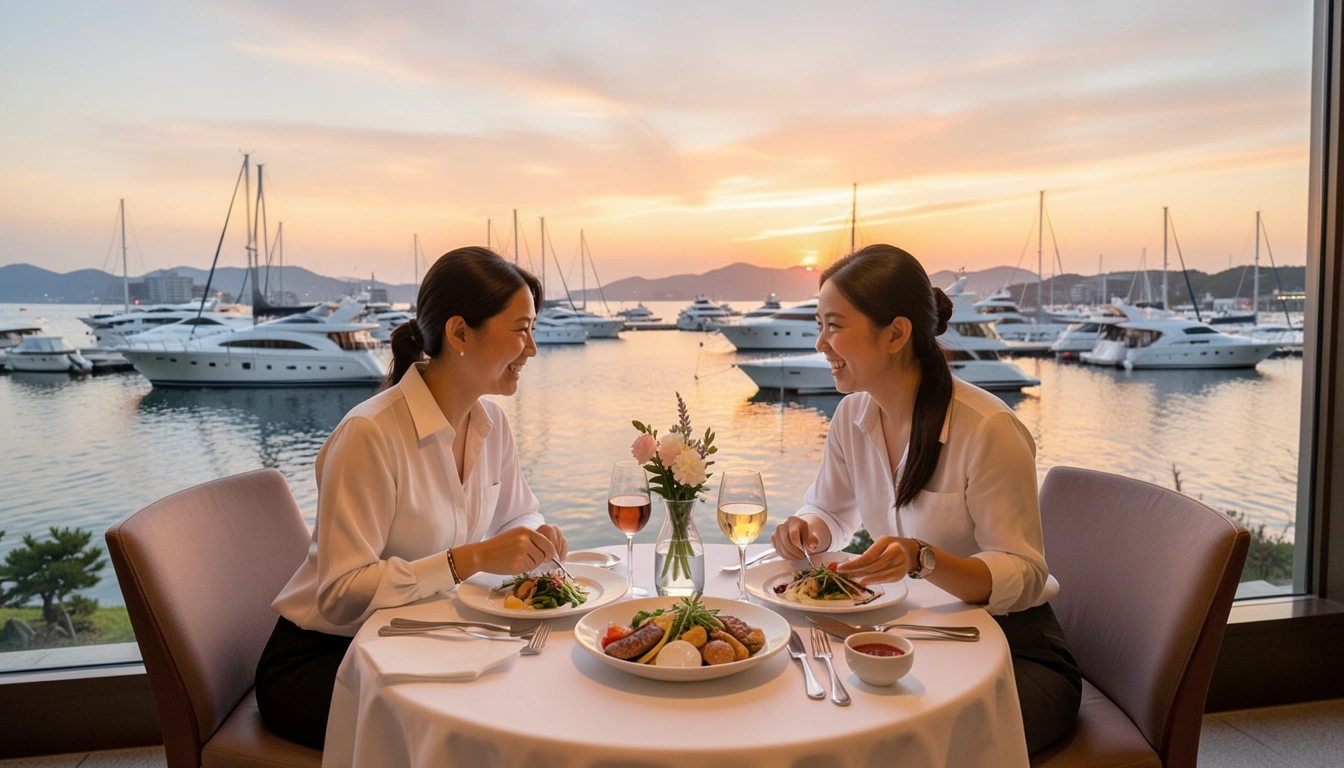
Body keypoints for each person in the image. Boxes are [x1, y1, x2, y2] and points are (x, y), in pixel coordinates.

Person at [770, 244, 1080, 754]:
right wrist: (809, 527)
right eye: (820, 325)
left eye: (834, 325)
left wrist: (924, 559)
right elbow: (829, 510)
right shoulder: (852, 417)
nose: (822, 344)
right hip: (917, 638)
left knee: (878, 737)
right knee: (819, 709)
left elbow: (1024, 574)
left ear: (895, 333)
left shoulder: (987, 429)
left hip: (1012, 654)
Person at [255, 246, 569, 749]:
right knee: (481, 728)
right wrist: (470, 559)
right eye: (521, 329)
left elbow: (518, 512)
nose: (532, 348)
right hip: (326, 659)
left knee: (534, 693)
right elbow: (339, 595)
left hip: (420, 637)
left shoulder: (492, 424)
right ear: (460, 332)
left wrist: (534, 535)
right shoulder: (370, 434)